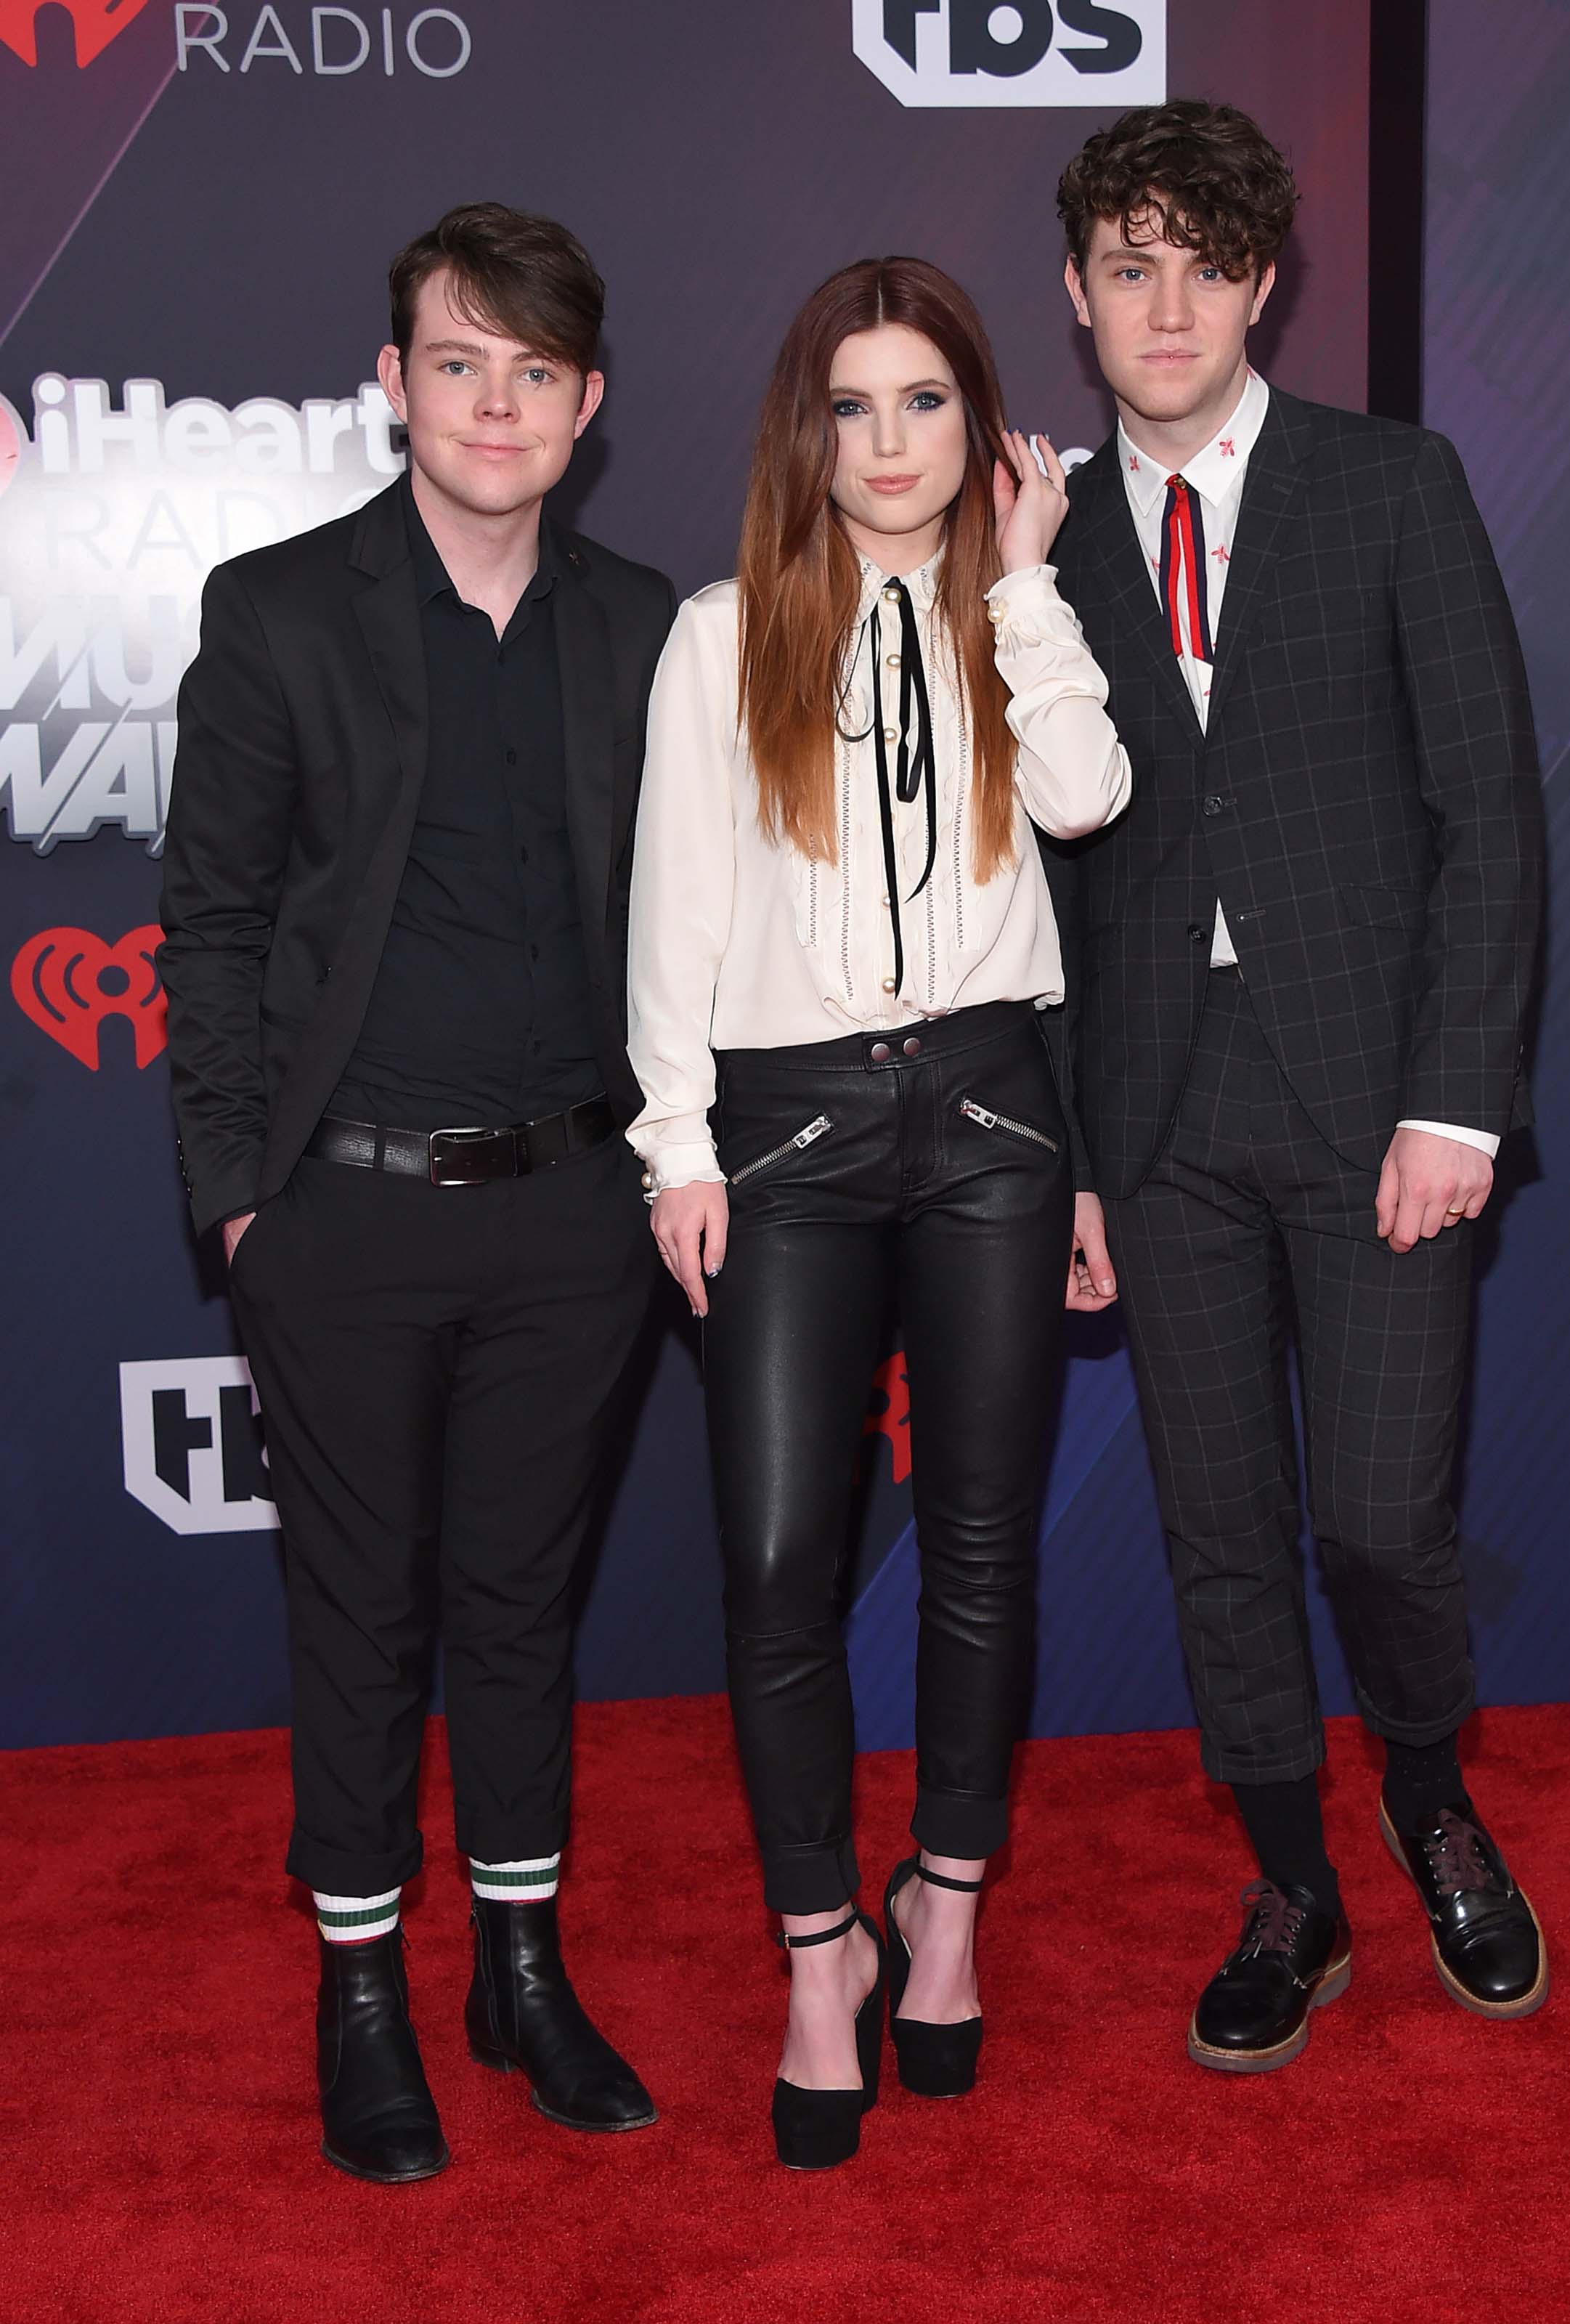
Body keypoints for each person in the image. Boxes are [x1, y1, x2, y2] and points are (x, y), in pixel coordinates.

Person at [158, 204, 674, 2182]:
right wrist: (234, 1194)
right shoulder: (278, 613)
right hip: (343, 1218)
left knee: (523, 1614)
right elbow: (209, 927)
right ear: (393, 384)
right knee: (360, 1617)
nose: (492, 403)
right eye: (456, 361)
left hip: (572, 1213)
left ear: (587, 405)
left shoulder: (646, 627)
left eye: (533, 371)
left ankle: (519, 1973)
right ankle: (361, 1991)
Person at [1043, 102, 1549, 2074]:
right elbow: (1025, 886)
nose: (1163, 303)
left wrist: (1459, 1097)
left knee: (1378, 1524)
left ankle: (1428, 1810)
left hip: (1373, 1100)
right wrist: (1073, 1155)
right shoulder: (1037, 532)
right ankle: (1290, 1885)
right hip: (1151, 1108)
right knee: (1216, 1528)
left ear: (1259, 281)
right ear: (1078, 294)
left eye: (1200, 262)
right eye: (1125, 265)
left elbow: (1484, 814)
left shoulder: (1388, 483)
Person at [627, 256, 1131, 2168]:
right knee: (777, 1564)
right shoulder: (716, 634)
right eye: (854, 405)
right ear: (804, 431)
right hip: (783, 1132)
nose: (891, 441)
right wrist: (673, 1145)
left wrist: (1019, 583)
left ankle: (946, 1914)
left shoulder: (1025, 621)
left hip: (998, 1111)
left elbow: (1083, 805)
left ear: (978, 431)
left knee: (985, 1546)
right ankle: (818, 1948)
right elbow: (673, 910)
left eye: (927, 402)